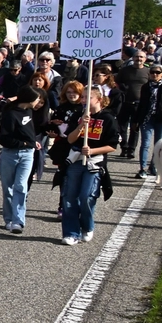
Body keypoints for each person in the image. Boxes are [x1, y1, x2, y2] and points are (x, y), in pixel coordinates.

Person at [60, 88, 118, 246]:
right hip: (76, 159)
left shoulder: (108, 118)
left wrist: (92, 150)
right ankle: (71, 232)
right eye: (83, 97)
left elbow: (112, 145)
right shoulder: (78, 115)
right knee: (69, 197)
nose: (84, 100)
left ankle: (87, 226)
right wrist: (81, 126)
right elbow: (70, 139)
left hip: (94, 162)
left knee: (86, 196)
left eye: (88, 97)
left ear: (98, 99)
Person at [0, 87, 44, 235]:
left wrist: (32, 142)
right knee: (8, 188)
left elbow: (28, 131)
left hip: (28, 155)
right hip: (10, 154)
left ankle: (18, 221)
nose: (38, 102)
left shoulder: (29, 112)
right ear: (29, 99)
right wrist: (24, 143)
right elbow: (3, 138)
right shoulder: (10, 114)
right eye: (37, 99)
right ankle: (9, 219)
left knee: (21, 186)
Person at [136, 64, 162, 178]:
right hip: (147, 118)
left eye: (157, 72)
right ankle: (142, 168)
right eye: (152, 72)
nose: (155, 74)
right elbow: (141, 104)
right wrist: (137, 119)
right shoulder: (145, 87)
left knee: (158, 144)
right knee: (145, 143)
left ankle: (153, 167)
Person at [114, 49, 151, 158]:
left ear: (145, 59)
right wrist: (121, 87)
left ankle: (131, 149)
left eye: (141, 57)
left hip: (139, 104)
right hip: (125, 102)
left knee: (135, 127)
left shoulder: (148, 71)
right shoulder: (125, 70)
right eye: (136, 57)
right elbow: (116, 82)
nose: (138, 59)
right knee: (122, 127)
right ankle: (124, 147)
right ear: (133, 58)